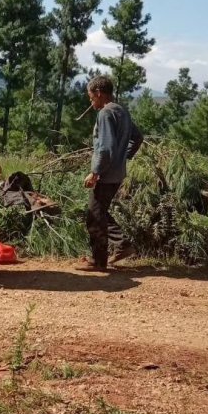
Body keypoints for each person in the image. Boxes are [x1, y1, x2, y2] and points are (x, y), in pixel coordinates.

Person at [78, 75, 144, 272]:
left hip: (106, 175)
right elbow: (138, 138)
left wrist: (95, 172)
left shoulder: (106, 113)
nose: (91, 101)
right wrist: (123, 158)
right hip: (117, 173)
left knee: (94, 216)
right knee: (101, 212)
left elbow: (105, 148)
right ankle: (123, 245)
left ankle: (99, 261)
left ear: (99, 93)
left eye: (91, 98)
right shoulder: (121, 110)